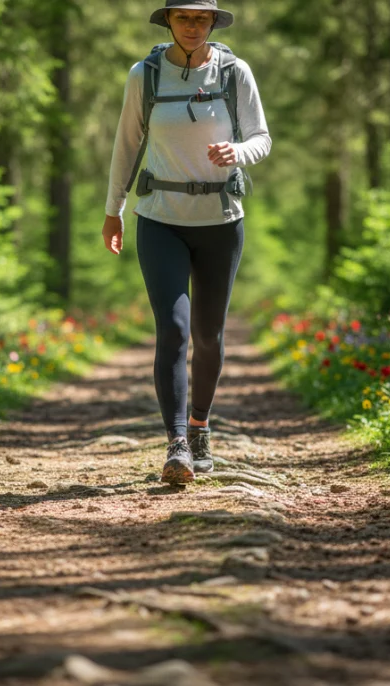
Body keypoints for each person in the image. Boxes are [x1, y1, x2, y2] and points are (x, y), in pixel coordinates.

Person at [102, 0, 271, 485]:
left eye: (202, 19)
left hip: (221, 219)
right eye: (183, 18)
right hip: (159, 219)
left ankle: (199, 426)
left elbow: (261, 137)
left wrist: (237, 151)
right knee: (173, 330)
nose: (193, 27)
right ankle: (176, 442)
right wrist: (113, 211)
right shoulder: (146, 75)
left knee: (209, 336)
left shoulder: (236, 73)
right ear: (168, 22)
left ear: (214, 23)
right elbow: (127, 144)